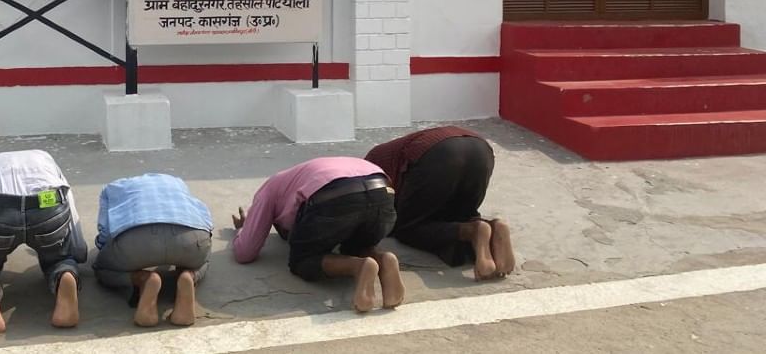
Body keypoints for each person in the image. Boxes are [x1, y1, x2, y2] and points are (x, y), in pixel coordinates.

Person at [232, 157, 404, 312]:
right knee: (355, 245)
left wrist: (243, 228)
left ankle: (358, 267)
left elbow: (245, 252)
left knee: (303, 260)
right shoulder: (297, 177)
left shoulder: (269, 188)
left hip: (333, 194)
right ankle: (384, 259)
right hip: (382, 191)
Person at [0, 149, 87, 337]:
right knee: (58, 259)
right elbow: (67, 201)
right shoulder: (46, 159)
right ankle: (64, 275)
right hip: (46, 204)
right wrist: (75, 253)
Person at [365, 126, 515, 281]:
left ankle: (473, 231)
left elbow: (382, 212)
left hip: (437, 154)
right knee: (460, 215)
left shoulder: (370, 167)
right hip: (480, 150)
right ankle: (494, 227)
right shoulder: (385, 153)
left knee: (407, 228)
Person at [92, 173, 213, 327]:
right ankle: (189, 276)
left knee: (101, 269)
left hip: (136, 240)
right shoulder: (177, 182)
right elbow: (205, 219)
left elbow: (105, 231)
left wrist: (107, 251)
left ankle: (144, 279)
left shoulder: (112, 188)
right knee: (203, 259)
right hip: (190, 235)